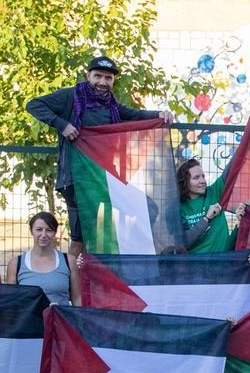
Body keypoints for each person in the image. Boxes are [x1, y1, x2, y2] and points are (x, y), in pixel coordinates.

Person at [26, 55, 171, 260]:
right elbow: (34, 105)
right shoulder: (71, 97)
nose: (103, 82)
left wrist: (159, 115)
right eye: (98, 76)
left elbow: (133, 115)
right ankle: (75, 288)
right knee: (80, 239)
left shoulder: (110, 105)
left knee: (144, 211)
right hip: (75, 180)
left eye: (108, 78)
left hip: (103, 180)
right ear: (88, 75)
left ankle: (100, 279)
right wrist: (63, 125)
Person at [6, 211, 80, 373]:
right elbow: (11, 302)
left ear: (55, 232)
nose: (43, 235)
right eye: (39, 230)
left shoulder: (67, 261)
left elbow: (77, 298)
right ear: (31, 232)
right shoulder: (17, 263)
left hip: (61, 332)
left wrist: (76, 325)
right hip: (29, 334)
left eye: (48, 230)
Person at [177, 158, 238, 253]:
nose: (202, 181)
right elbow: (184, 243)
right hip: (196, 265)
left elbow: (233, 166)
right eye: (196, 178)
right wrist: (206, 218)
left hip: (222, 262)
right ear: (185, 182)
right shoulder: (177, 208)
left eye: (203, 176)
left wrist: (245, 144)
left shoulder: (213, 192)